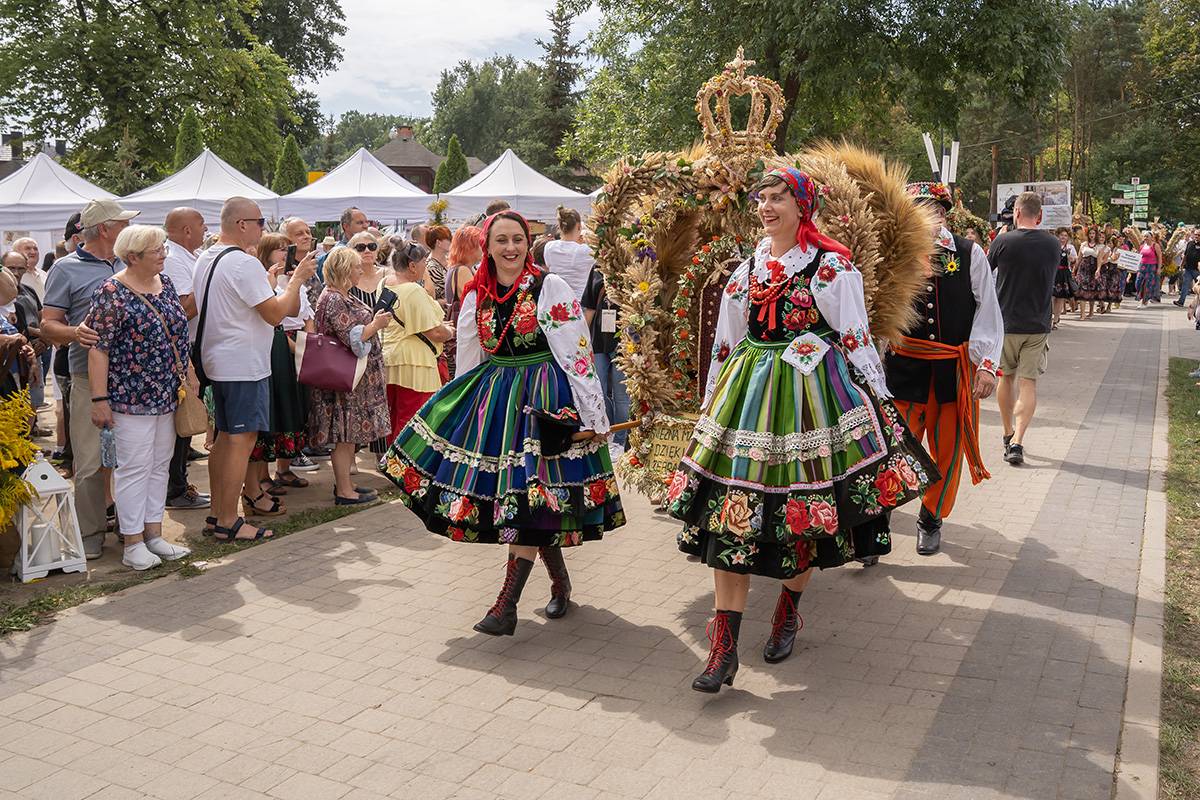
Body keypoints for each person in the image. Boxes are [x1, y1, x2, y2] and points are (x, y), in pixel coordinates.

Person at [664, 168, 938, 693]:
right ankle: (723, 648)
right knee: (729, 519)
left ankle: (788, 606)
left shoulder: (831, 267)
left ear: (802, 206)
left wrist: (878, 400)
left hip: (809, 402)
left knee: (804, 515)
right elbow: (726, 342)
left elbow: (855, 337)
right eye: (762, 199)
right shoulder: (746, 269)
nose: (766, 208)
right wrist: (711, 400)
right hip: (746, 401)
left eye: (777, 198)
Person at [381, 210, 625, 636]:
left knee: (530, 496)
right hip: (498, 402)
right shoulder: (476, 294)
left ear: (528, 243)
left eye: (517, 239)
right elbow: (469, 357)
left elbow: (576, 352)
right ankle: (559, 582)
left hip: (544, 398)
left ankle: (506, 605)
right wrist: (459, 412)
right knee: (525, 500)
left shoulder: (549, 286)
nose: (511, 248)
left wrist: (593, 413)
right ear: (487, 247)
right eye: (502, 240)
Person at [886, 183, 1002, 557]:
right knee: (892, 450)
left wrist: (987, 366)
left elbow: (988, 311)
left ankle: (930, 518)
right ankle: (876, 523)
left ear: (942, 213)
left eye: (931, 209)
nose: (924, 216)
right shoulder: (894, 251)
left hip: (952, 373)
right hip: (901, 370)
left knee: (947, 453)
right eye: (915, 210)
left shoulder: (969, 254)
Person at [193, 197, 316, 542]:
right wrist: (296, 279)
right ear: (242, 224)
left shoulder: (207, 257)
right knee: (240, 440)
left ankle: (218, 515)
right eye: (260, 222)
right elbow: (275, 314)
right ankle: (228, 519)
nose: (264, 229)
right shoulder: (242, 263)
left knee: (225, 439)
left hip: (219, 359)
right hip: (242, 364)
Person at [85, 225, 194, 570]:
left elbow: (178, 336)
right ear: (133, 257)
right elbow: (98, 349)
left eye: (163, 248)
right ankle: (132, 542)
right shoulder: (111, 291)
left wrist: (189, 375)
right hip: (129, 397)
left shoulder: (166, 283)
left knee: (160, 464)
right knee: (134, 468)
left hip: (167, 393)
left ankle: (154, 534)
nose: (163, 255)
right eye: (156, 250)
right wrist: (99, 399)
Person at [41, 199, 140, 558]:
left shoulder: (131, 262)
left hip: (134, 376)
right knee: (89, 460)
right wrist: (74, 333)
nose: (128, 228)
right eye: (122, 223)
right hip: (86, 374)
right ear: (105, 229)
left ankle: (133, 527)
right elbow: (47, 325)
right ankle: (90, 532)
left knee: (134, 457)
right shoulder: (65, 268)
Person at [308, 247, 391, 504]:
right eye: (356, 267)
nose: (360, 271)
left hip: (353, 379)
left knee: (348, 436)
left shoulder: (341, 295)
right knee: (343, 436)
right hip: (344, 380)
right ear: (344, 269)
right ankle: (344, 491)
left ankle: (346, 484)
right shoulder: (334, 298)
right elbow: (352, 339)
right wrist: (376, 324)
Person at [989, 192, 1060, 466]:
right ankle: (1018, 441)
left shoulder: (1003, 241)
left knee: (1005, 379)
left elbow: (985, 272)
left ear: (1016, 212)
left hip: (1006, 322)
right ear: (1039, 216)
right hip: (1037, 325)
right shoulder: (1053, 244)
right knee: (1028, 383)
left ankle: (1007, 433)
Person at [245, 232, 311, 506]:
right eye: (280, 249)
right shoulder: (259, 277)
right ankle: (260, 477)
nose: (285, 253)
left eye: (287, 248)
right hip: (269, 345)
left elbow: (294, 311)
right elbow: (273, 315)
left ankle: (280, 470)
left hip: (282, 344)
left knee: (285, 405)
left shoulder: (286, 278)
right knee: (269, 410)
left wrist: (294, 281)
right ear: (266, 252)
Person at [161, 207, 211, 511]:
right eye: (202, 224)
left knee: (186, 422)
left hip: (193, 347)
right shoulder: (173, 259)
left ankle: (179, 483)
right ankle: (175, 489)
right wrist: (207, 281)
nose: (206, 229)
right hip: (184, 350)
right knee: (181, 420)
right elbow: (184, 311)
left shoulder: (190, 256)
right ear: (187, 230)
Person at [380, 240, 454, 441]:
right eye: (423, 262)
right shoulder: (413, 290)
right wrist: (449, 331)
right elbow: (435, 332)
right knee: (414, 422)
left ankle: (393, 459)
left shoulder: (385, 282)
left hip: (391, 360)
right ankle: (404, 461)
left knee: (396, 419)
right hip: (415, 365)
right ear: (412, 266)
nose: (425, 266)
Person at [580, 263, 630, 451]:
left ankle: (621, 440)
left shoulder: (630, 265)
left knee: (621, 396)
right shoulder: (597, 268)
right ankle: (607, 431)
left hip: (624, 343)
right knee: (598, 390)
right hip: (598, 341)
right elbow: (589, 307)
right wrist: (582, 340)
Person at [443, 225, 482, 379]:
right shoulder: (463, 270)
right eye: (479, 244)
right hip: (465, 335)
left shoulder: (457, 268)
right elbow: (478, 301)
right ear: (470, 247)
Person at [543, 207, 594, 300]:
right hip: (578, 300)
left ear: (560, 226)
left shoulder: (549, 247)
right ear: (579, 226)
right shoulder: (585, 250)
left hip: (556, 300)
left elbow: (548, 265)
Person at [317, 207, 368, 279]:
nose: (366, 226)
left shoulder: (369, 249)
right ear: (346, 226)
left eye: (366, 222)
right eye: (359, 223)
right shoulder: (339, 252)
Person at [1051, 227, 1077, 328]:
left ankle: (1056, 319)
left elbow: (1074, 260)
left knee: (1060, 297)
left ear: (1068, 237)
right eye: (1061, 235)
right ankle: (1049, 317)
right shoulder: (1053, 245)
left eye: (1065, 235)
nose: (1063, 237)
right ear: (1058, 236)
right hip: (1054, 272)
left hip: (1064, 273)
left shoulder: (1070, 247)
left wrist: (1071, 258)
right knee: (1052, 296)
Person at [1074, 227, 1102, 320]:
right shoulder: (1083, 244)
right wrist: (1074, 269)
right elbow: (1079, 258)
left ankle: (1091, 311)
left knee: (1091, 291)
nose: (1091, 235)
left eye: (1093, 233)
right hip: (1083, 268)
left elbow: (1099, 259)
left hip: (1093, 269)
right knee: (1082, 290)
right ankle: (1082, 314)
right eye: (1090, 233)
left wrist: (1098, 269)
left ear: (1096, 234)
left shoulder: (1099, 246)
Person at [423, 225, 452, 304]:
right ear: (438, 243)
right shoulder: (431, 267)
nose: (451, 242)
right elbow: (435, 298)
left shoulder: (450, 260)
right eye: (449, 239)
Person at [1096, 233, 1124, 313]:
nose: (1109, 244)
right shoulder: (1105, 249)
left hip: (1114, 271)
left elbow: (1113, 258)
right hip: (1106, 271)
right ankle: (1102, 305)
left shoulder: (1117, 250)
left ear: (1114, 243)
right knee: (1102, 287)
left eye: (1110, 243)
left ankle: (1109, 306)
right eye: (1108, 243)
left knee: (1112, 289)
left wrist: (1106, 259)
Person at [1135, 231, 1161, 308]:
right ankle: (1141, 298)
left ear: (1151, 237)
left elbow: (1159, 257)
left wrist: (1159, 268)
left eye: (1147, 236)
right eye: (1144, 236)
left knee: (1147, 285)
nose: (1145, 238)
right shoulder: (1142, 246)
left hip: (1151, 267)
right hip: (1142, 267)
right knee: (1138, 283)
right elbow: (1139, 256)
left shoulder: (1155, 245)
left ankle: (1144, 302)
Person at [1179, 229, 1200, 307]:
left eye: (1198, 235)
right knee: (1185, 285)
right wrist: (1181, 265)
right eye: (1195, 234)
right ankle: (1181, 302)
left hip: (1198, 270)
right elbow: (1185, 255)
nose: (1196, 236)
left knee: (1198, 287)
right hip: (1188, 268)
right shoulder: (1190, 243)